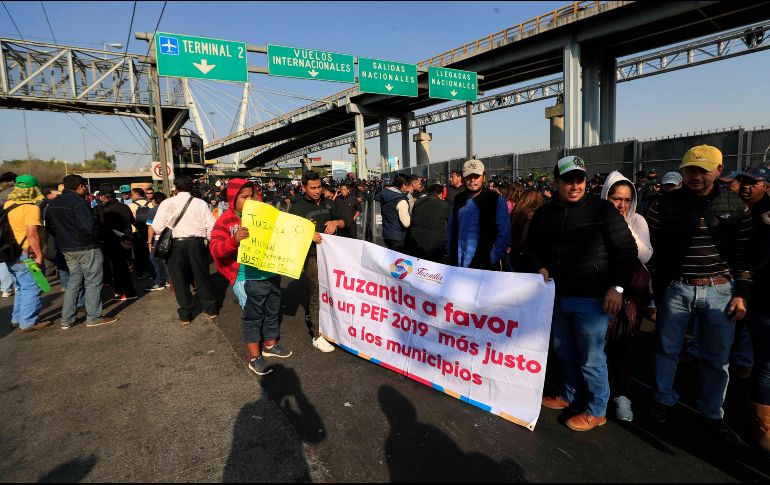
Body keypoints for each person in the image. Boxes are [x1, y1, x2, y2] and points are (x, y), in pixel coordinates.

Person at [646, 145, 752, 447]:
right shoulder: (662, 205)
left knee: (717, 359)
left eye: (704, 170)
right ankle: (663, 399)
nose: (696, 176)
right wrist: (659, 284)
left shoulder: (736, 206)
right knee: (666, 349)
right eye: (691, 169)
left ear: (719, 171)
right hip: (676, 288)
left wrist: (741, 294)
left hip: (721, 289)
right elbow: (650, 249)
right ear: (683, 171)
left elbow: (745, 255)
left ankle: (712, 413)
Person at [526, 156, 637, 432]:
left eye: (580, 179)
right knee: (564, 351)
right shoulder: (544, 214)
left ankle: (597, 410)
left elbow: (626, 250)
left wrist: (618, 287)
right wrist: (538, 265)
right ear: (556, 182)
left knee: (591, 358)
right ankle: (569, 395)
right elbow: (530, 248)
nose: (575, 185)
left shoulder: (603, 210)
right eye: (568, 180)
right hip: (557, 297)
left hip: (593, 299)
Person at [210, 179, 292, 376]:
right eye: (244, 196)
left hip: (271, 271)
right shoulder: (225, 221)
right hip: (246, 276)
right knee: (253, 316)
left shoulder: (265, 214)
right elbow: (215, 250)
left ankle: (270, 345)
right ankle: (254, 357)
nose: (249, 200)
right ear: (233, 198)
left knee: (272, 310)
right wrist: (233, 241)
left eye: (252, 195)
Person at [600, 171, 653, 422]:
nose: (622, 204)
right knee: (598, 346)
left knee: (626, 346)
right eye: (616, 198)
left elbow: (645, 255)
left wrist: (624, 228)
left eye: (627, 199)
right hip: (601, 293)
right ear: (605, 196)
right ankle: (599, 393)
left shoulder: (638, 221)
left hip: (630, 296)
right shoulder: (597, 220)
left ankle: (622, 395)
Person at [45, 174, 117, 329]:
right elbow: (90, 226)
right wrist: (99, 237)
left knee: (74, 282)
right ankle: (93, 317)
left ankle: (67, 319)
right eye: (85, 187)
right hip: (86, 247)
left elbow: (49, 228)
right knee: (93, 282)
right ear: (80, 186)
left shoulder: (53, 203)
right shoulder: (78, 202)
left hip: (66, 248)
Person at [289, 171, 345, 353]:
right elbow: (289, 233)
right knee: (317, 293)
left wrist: (336, 222)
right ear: (303, 188)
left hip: (333, 256)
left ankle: (329, 325)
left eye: (319, 186)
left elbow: (345, 222)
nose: (317, 191)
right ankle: (317, 335)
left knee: (334, 291)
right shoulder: (297, 208)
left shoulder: (330, 202)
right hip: (312, 257)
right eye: (313, 188)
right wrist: (305, 233)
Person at [736, 166, 770, 453]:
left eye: (753, 182)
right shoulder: (742, 213)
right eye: (744, 182)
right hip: (759, 298)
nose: (746, 186)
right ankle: (764, 430)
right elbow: (751, 261)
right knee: (766, 366)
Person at [151, 176, 218, 325]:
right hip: (196, 243)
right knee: (202, 276)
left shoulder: (167, 203)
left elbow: (156, 227)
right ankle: (211, 309)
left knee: (179, 279)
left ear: (176, 188)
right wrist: (206, 240)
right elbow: (211, 227)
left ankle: (186, 314)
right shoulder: (200, 203)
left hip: (175, 245)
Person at [3, 175, 51, 332]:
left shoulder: (8, 205)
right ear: (34, 188)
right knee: (33, 287)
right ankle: (28, 322)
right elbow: (32, 234)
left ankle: (17, 318)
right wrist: (38, 254)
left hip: (11, 253)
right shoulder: (31, 207)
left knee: (21, 287)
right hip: (27, 254)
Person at [446, 160, 510, 270]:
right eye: (469, 176)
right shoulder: (458, 199)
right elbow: (451, 228)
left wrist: (491, 258)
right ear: (463, 178)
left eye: (476, 176)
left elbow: (504, 235)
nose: (473, 180)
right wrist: (450, 252)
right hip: (458, 263)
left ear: (484, 177)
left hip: (484, 266)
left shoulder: (495, 200)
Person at [98, 184, 137, 301]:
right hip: (127, 240)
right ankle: (124, 291)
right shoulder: (124, 207)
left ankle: (124, 292)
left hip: (113, 242)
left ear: (103, 197)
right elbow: (132, 221)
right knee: (123, 266)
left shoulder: (104, 210)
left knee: (118, 268)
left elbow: (103, 228)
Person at [403, 184, 449, 263]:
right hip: (434, 245)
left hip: (416, 242)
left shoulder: (418, 202)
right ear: (441, 194)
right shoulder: (444, 205)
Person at [508, 189, 542, 272]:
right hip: (525, 255)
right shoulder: (532, 215)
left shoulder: (517, 212)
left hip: (513, 252)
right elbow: (525, 238)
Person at [377, 175, 411, 251]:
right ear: (403, 185)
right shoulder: (401, 200)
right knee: (399, 262)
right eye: (407, 185)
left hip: (386, 234)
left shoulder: (384, 194)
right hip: (398, 236)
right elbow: (406, 223)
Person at [144, 192, 169, 292]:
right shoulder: (169, 209)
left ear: (154, 200)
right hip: (171, 238)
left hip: (158, 238)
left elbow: (150, 227)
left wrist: (149, 242)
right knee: (166, 260)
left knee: (154, 259)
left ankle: (159, 281)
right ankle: (168, 280)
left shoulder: (153, 210)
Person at [129, 188, 154, 281]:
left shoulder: (131, 206)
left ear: (136, 194)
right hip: (150, 232)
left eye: (132, 194)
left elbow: (130, 220)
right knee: (149, 253)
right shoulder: (151, 204)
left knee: (138, 254)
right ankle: (152, 272)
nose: (131, 196)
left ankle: (140, 273)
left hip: (137, 232)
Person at [0, 171, 17, 297]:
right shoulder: (16, 193)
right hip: (13, 232)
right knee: (19, 259)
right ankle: (18, 286)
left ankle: (6, 288)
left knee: (2, 262)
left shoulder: (1, 193)